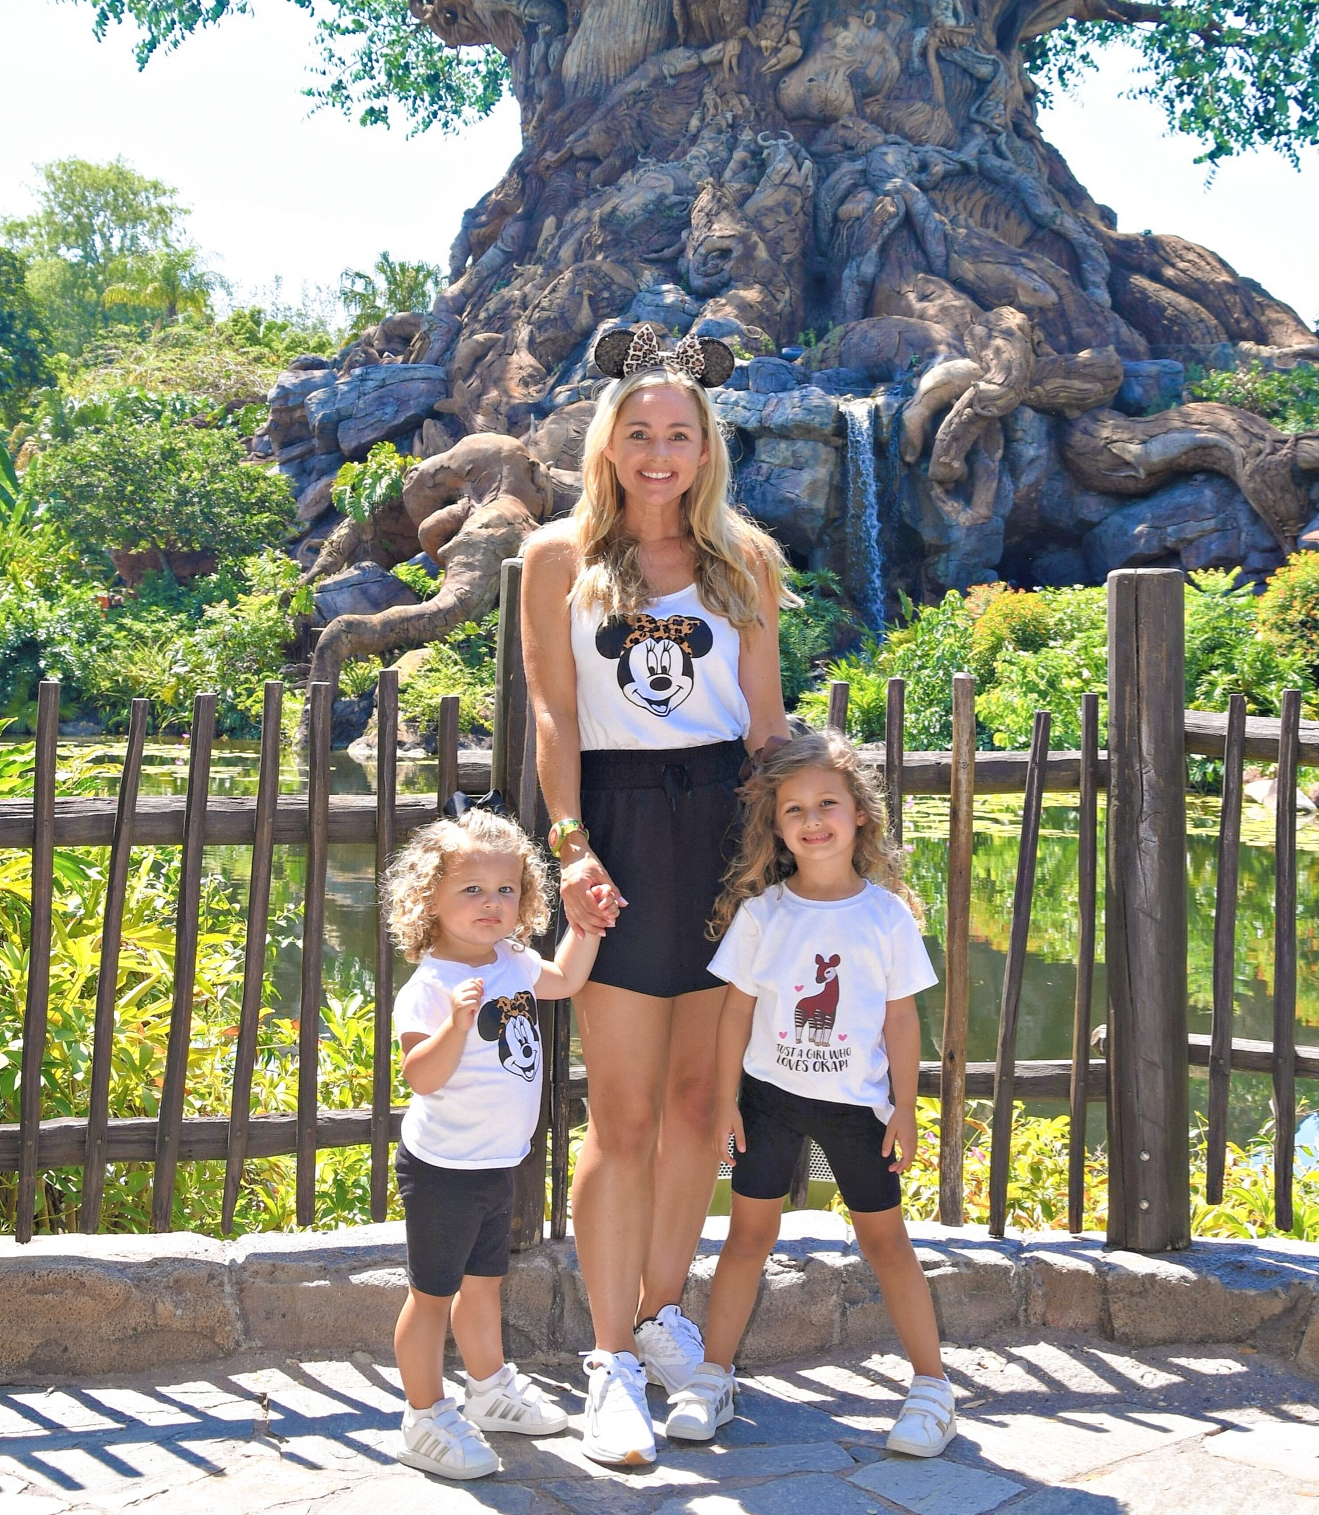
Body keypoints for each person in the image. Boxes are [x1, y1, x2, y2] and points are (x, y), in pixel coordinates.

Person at [520, 323, 791, 1467]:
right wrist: (572, 847)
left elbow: (769, 726)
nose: (660, 451)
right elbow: (554, 715)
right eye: (640, 431)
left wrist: (782, 866)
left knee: (696, 1110)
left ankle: (663, 1320)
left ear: (706, 446)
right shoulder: (554, 558)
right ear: (609, 441)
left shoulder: (746, 563)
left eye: (680, 433)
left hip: (726, 825)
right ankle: (610, 1363)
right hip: (618, 829)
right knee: (620, 1113)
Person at [663, 731, 956, 1459]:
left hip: (856, 1109)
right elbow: (735, 1011)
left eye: (827, 803)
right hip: (766, 1100)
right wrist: (728, 1098)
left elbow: (899, 1015)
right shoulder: (763, 914)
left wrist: (906, 1108)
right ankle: (712, 1377)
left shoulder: (886, 916)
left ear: (859, 814)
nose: (812, 819)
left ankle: (931, 1387)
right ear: (776, 826)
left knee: (885, 1240)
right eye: (793, 809)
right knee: (746, 1238)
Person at [384, 803, 603, 1481]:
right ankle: (422, 1417)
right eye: (471, 890)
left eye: (506, 890)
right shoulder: (429, 989)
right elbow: (422, 1078)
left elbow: (564, 980)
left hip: (495, 1164)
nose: (491, 903)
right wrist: (455, 1024)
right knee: (430, 1294)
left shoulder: (510, 960)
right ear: (430, 899)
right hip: (442, 1169)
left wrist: (587, 927)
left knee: (483, 1285)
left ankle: (487, 1391)